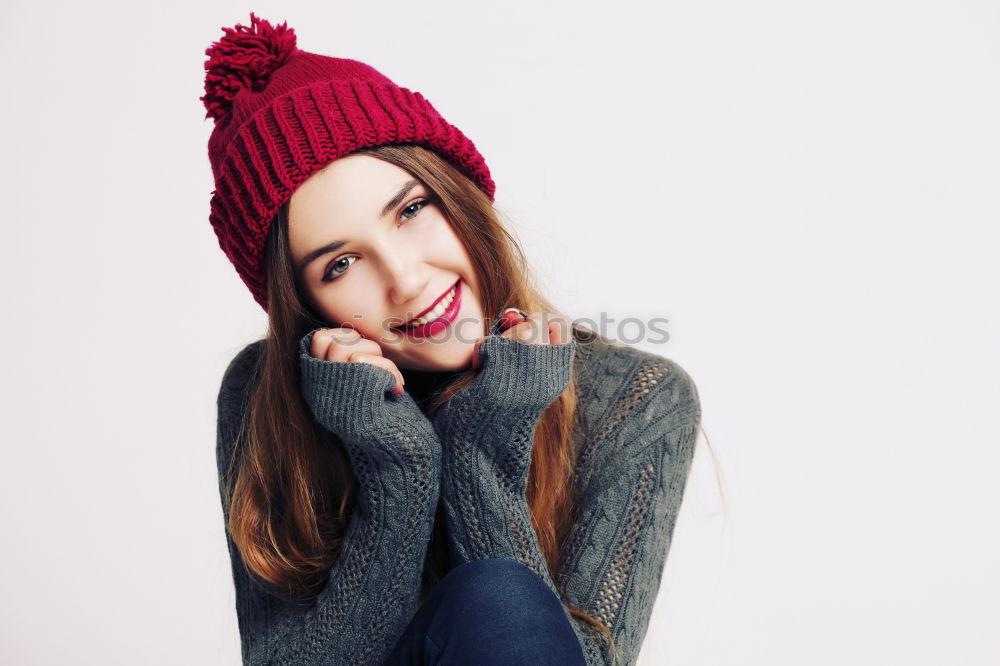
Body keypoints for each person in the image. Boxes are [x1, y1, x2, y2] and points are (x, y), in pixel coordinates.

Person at [204, 13, 703, 666]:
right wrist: (397, 469)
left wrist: (480, 451)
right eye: (340, 265)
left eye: (412, 210)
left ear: (459, 194)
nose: (407, 282)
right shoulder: (266, 396)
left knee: (495, 595)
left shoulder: (638, 400)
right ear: (306, 307)